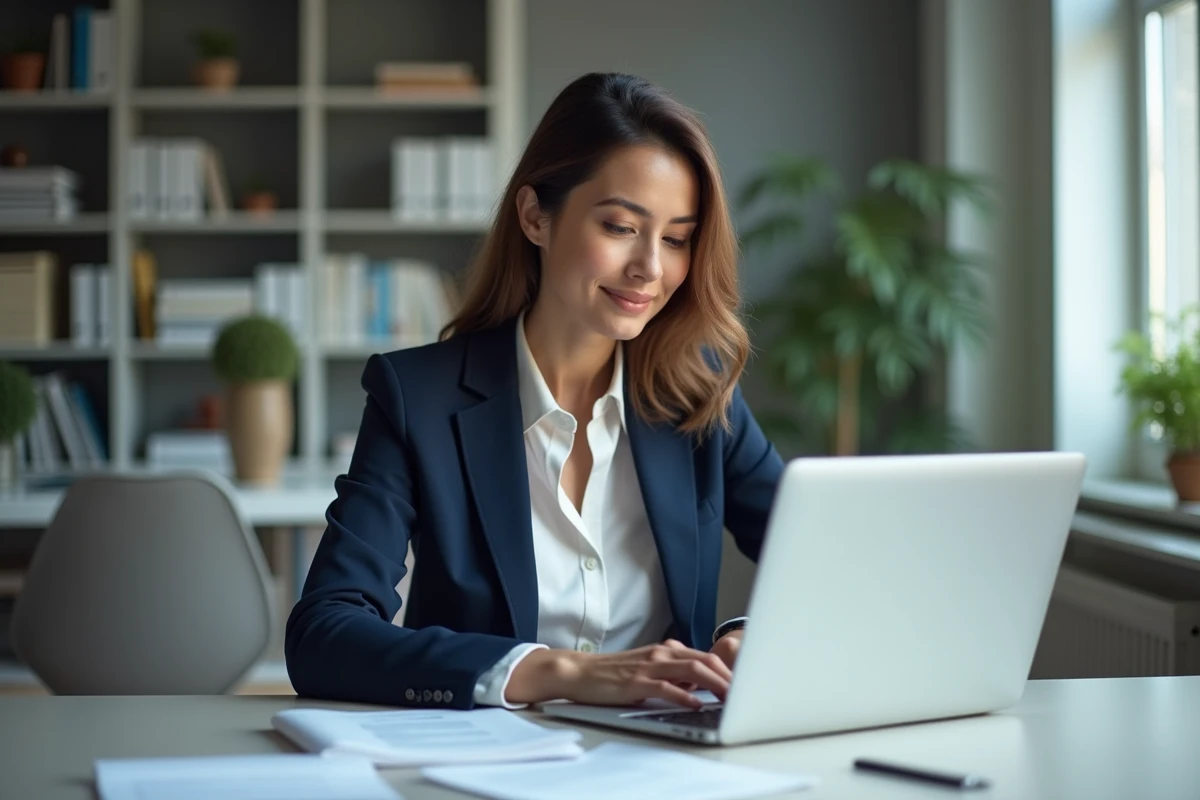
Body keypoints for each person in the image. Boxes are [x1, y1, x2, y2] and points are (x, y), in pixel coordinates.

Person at [285, 72, 785, 711]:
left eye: (677, 239)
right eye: (619, 226)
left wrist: (750, 638)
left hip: (667, 760)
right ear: (534, 217)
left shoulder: (701, 392)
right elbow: (324, 633)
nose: (651, 269)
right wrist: (559, 673)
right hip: (488, 762)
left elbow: (828, 563)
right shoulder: (419, 397)